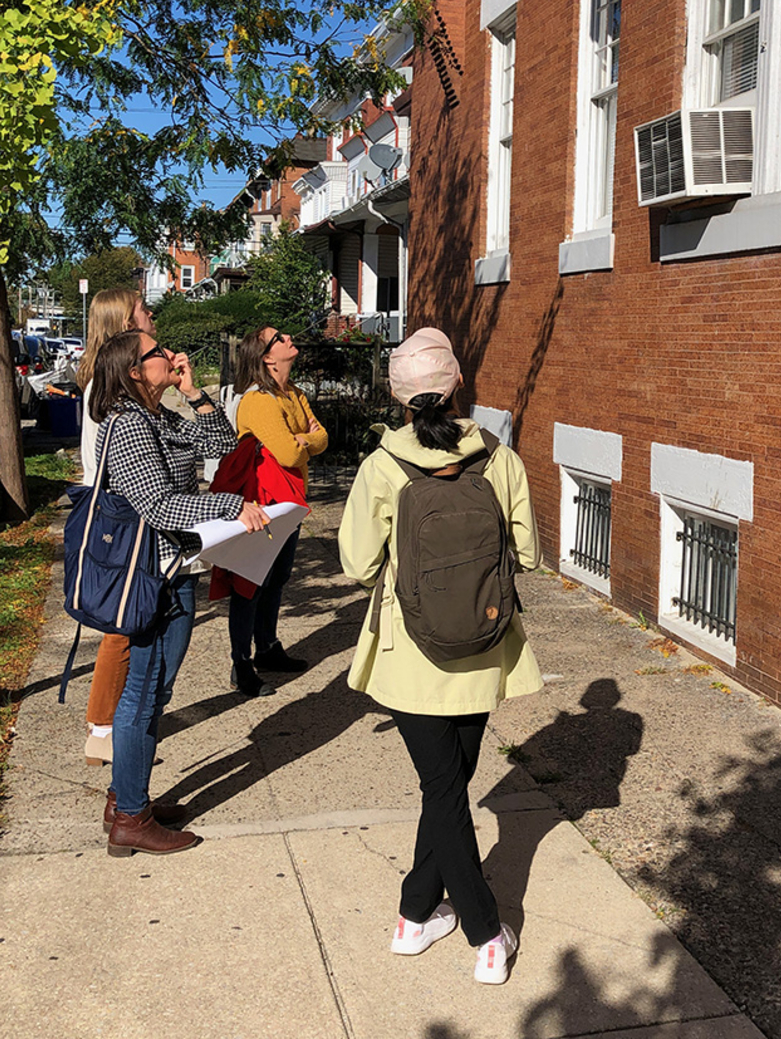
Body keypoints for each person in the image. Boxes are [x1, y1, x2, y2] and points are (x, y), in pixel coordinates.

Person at [338, 327, 541, 985]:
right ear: (457, 384)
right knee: (448, 789)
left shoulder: (381, 468)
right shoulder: (499, 458)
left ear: (397, 396)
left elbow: (357, 564)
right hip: (482, 648)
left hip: (410, 655)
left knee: (443, 792)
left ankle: (434, 922)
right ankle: (467, 925)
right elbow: (529, 555)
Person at [89, 330, 268, 856]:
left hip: (173, 568)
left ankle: (127, 794)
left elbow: (219, 446)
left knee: (155, 690)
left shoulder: (155, 415)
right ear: (134, 371)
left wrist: (194, 393)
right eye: (157, 353)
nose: (170, 355)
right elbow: (160, 506)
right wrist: (229, 507)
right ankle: (130, 817)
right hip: (152, 577)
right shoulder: (127, 426)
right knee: (144, 692)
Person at [75, 288, 159, 767]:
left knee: (123, 621)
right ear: (126, 324)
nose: (152, 315)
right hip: (120, 516)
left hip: (120, 512)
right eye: (144, 309)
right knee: (120, 623)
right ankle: (102, 727)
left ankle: (107, 723)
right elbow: (105, 463)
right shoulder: (106, 388)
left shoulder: (108, 382)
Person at [221, 326, 328, 697]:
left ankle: (266, 648)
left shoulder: (293, 393)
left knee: (278, 577)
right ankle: (241, 663)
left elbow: (323, 437)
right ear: (267, 358)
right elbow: (288, 453)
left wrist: (306, 439)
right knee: (251, 583)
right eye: (279, 338)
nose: (288, 339)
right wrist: (303, 440)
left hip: (288, 502)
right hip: (261, 504)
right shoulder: (259, 401)